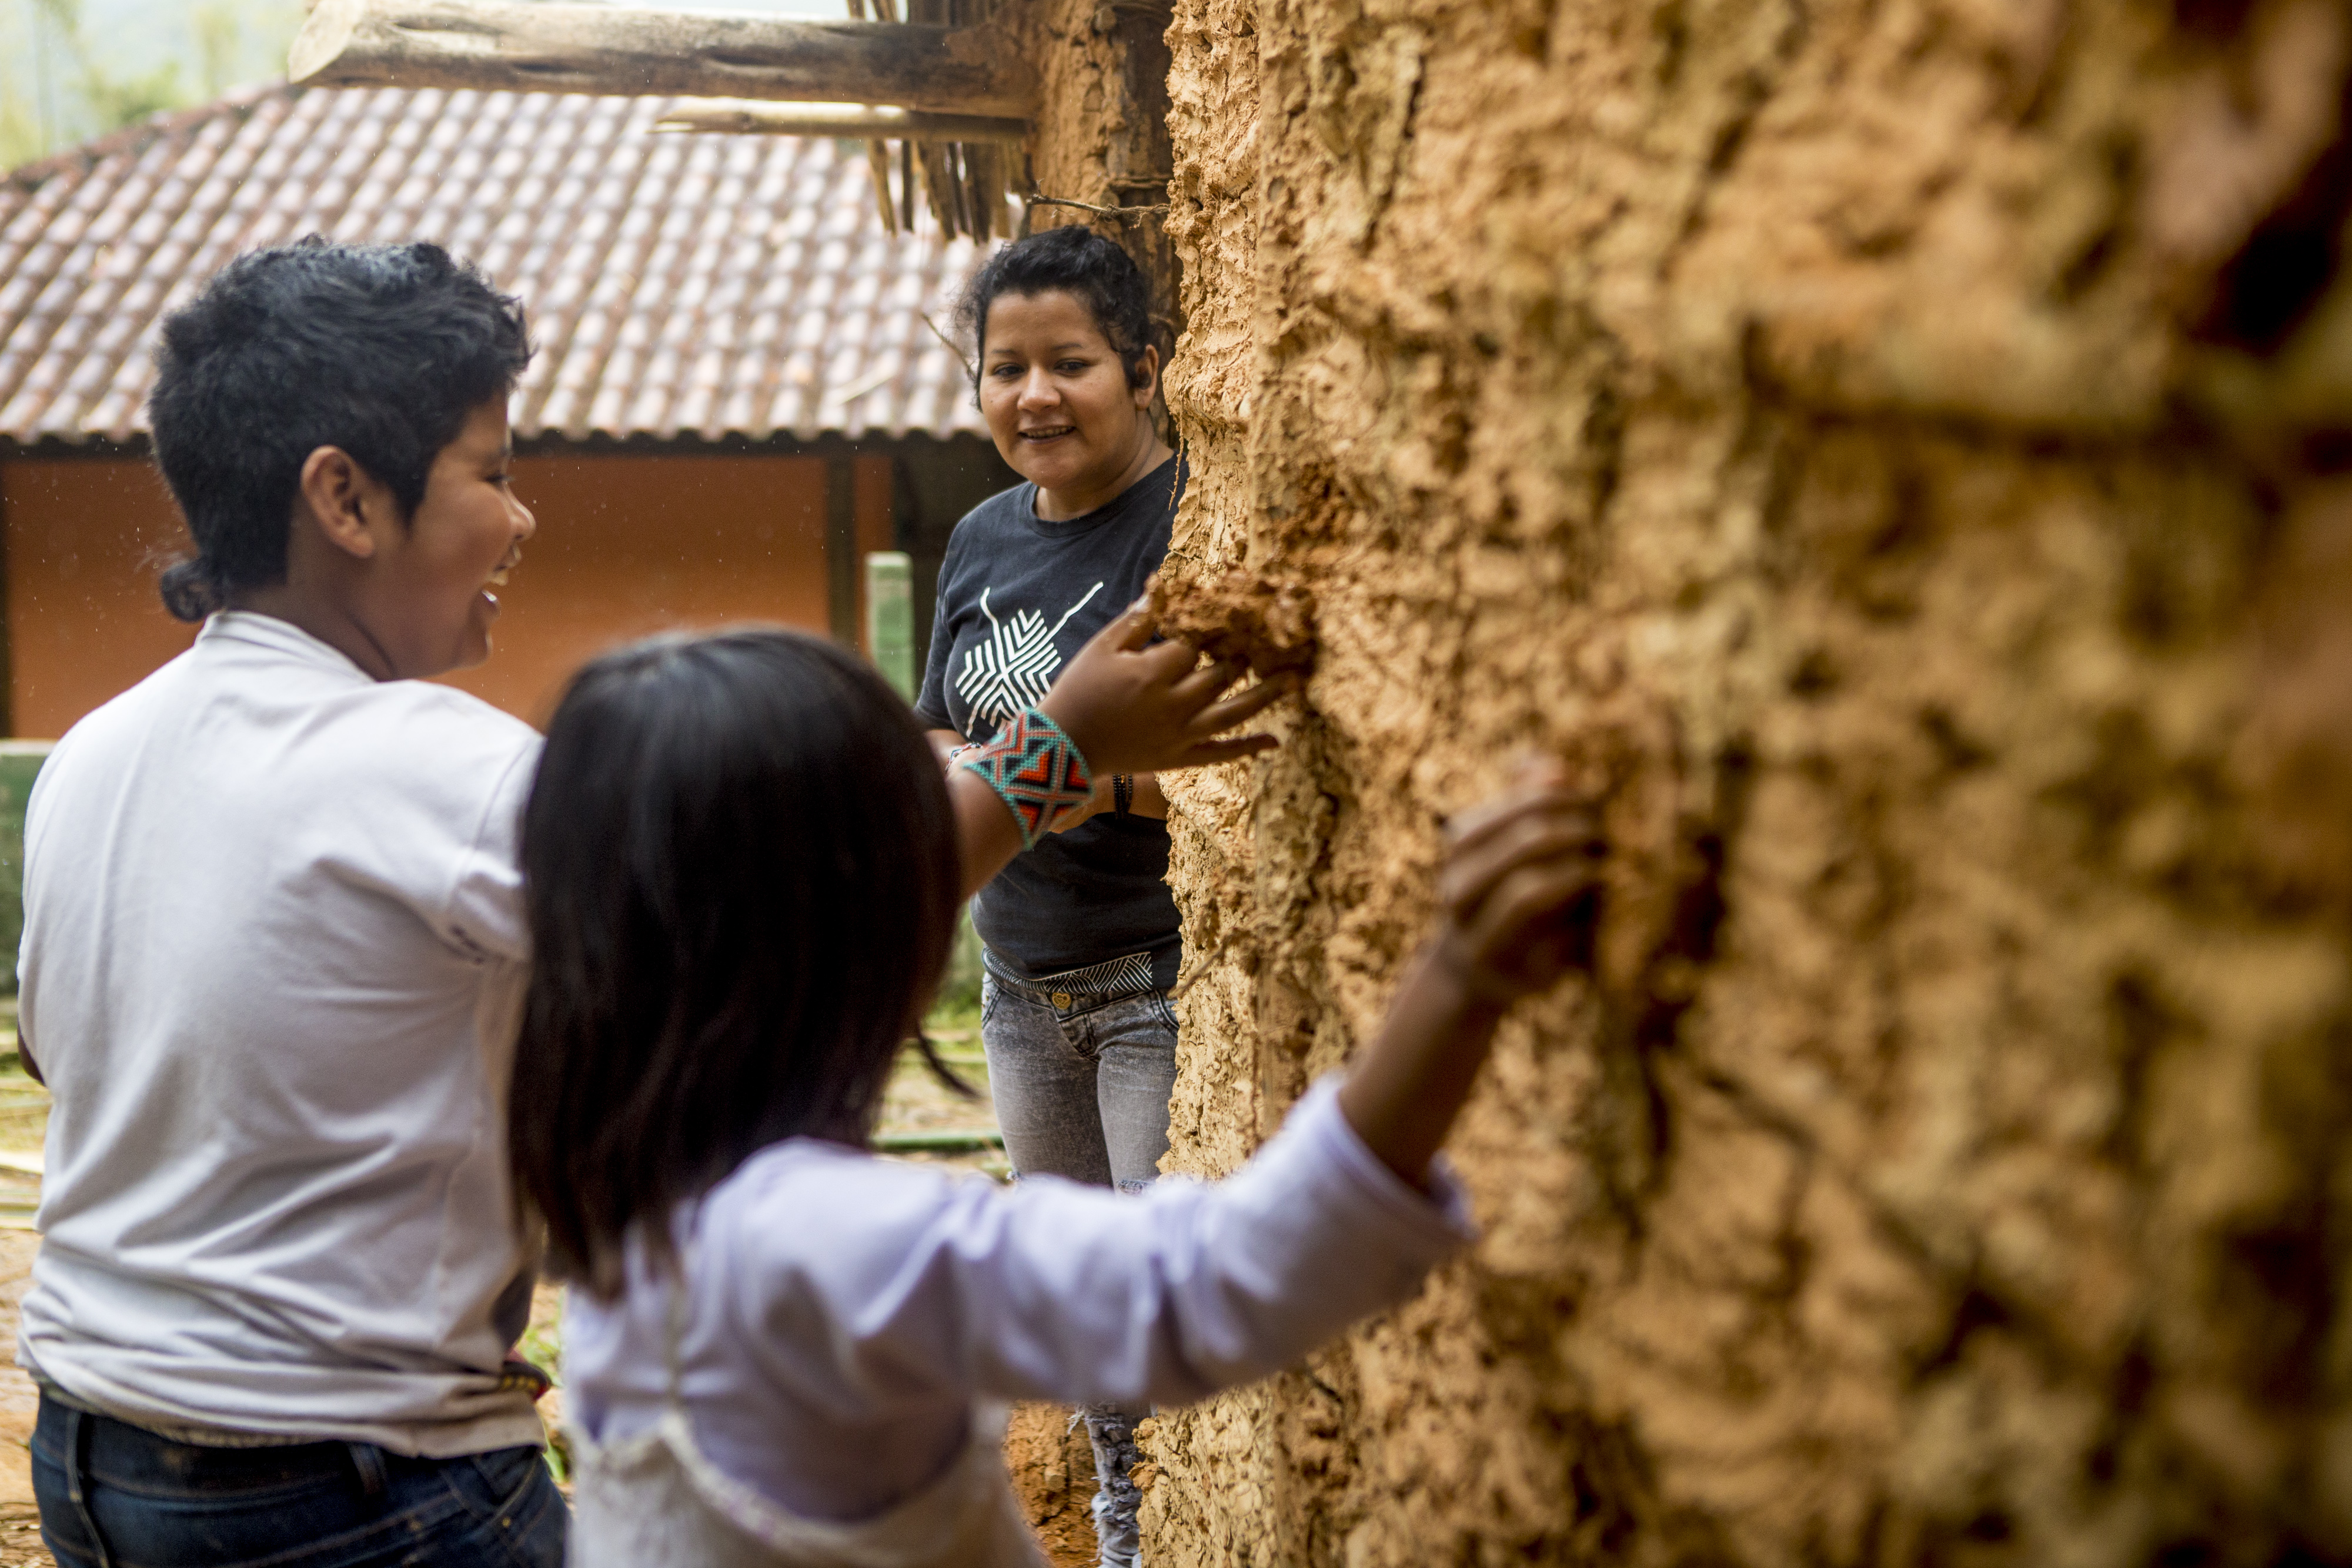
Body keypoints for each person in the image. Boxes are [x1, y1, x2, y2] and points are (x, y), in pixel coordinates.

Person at [510, 624, 1604, 1568]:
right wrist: (1462, 979)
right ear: (854, 938)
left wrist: (1061, 745)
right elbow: (1217, 1283)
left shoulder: (633, 1202)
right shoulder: (821, 1245)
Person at [13, 239, 568, 1567]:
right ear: (346, 498)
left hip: (95, 1449)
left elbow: (58, 1049)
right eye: (491, 472)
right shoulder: (442, 761)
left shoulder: (93, 750)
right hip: (344, 1484)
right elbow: (801, 920)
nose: (522, 519)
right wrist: (1048, 760)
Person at [913, 223, 1191, 1563]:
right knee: (1083, 1319)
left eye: (1068, 362)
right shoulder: (975, 538)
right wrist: (1052, 763)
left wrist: (1054, 777)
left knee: (1156, 1310)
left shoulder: (1188, 515)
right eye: (1004, 367)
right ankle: (1121, 1542)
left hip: (1154, 983)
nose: (1033, 395)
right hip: (1022, 988)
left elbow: (1216, 769)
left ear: (1141, 366)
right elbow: (932, 735)